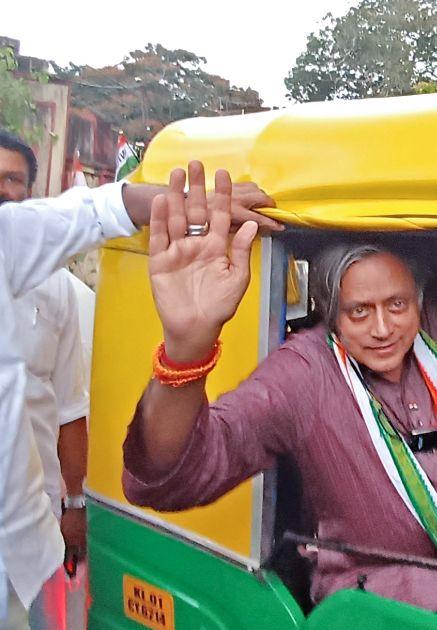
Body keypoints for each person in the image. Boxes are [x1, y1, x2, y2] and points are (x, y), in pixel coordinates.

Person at [121, 164, 437, 630]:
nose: (383, 330)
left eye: (397, 305)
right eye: (360, 311)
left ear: (419, 300)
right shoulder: (305, 372)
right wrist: (186, 350)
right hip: (387, 583)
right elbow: (173, 476)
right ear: (331, 313)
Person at [0, 148, 278, 629]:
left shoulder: (21, 251)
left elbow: (98, 210)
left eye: (13, 179)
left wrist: (189, 205)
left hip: (30, 543)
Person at [0, 133, 90, 630]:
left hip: (32, 530)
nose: (2, 189)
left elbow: (69, 407)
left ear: (29, 193)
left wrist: (74, 505)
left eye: (12, 179)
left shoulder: (58, 287)